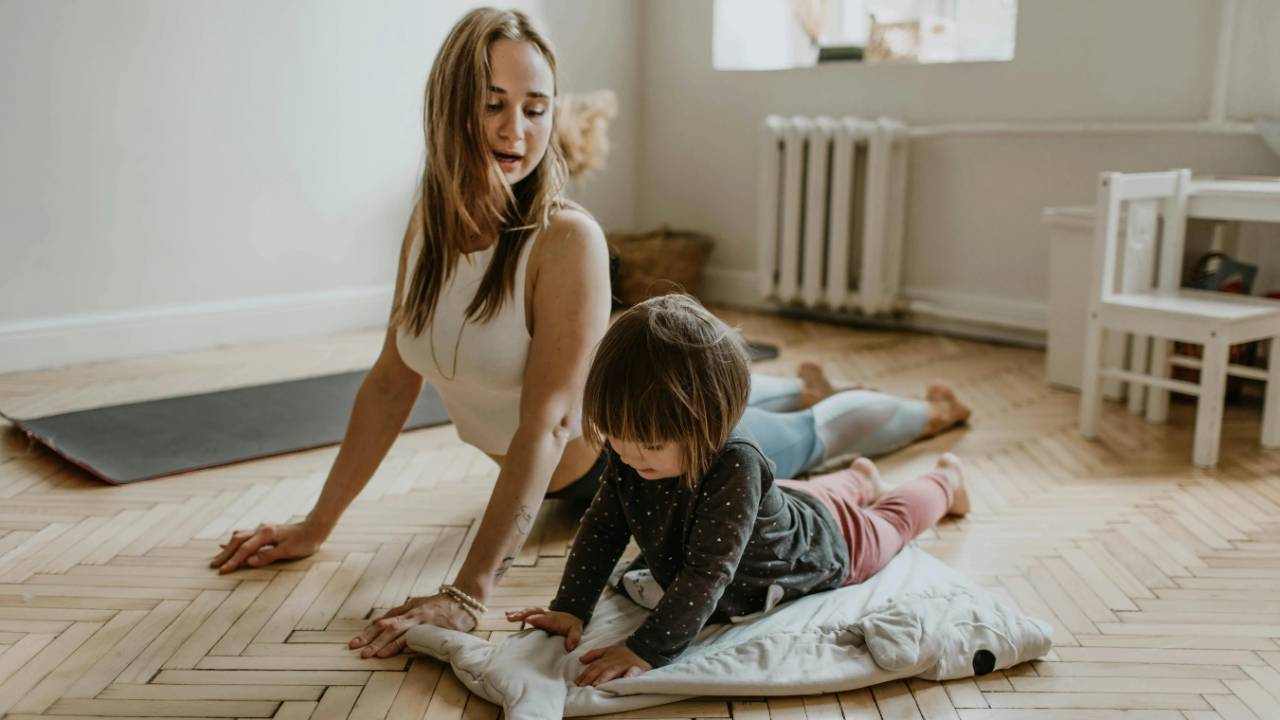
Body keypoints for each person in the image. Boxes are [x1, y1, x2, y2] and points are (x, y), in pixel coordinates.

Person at [209, 7, 970, 659]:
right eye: (493, 103)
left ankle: (926, 417)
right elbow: (388, 383)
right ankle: (807, 410)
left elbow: (548, 424)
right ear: (448, 106)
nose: (517, 129)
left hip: (654, 458)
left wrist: (468, 593)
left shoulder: (564, 239)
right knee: (780, 420)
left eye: (536, 107)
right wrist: (317, 523)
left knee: (805, 434)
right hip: (614, 452)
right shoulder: (428, 227)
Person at [506, 295, 969, 686]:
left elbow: (708, 572)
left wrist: (645, 649)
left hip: (825, 542)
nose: (627, 456)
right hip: (782, 503)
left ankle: (946, 480)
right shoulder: (633, 452)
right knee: (807, 495)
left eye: (648, 445)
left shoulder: (736, 463)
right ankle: (861, 477)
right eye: (616, 438)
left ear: (709, 425)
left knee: (891, 521)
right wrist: (570, 606)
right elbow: (603, 527)